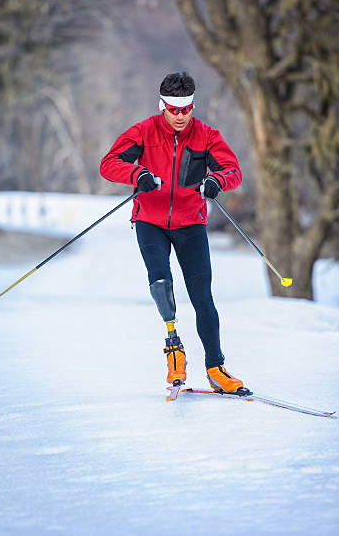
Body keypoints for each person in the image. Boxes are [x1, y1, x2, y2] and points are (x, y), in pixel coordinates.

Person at [100, 72, 247, 394]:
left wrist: (216, 182)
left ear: (192, 106)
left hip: (190, 223)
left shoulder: (207, 135)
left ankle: (216, 368)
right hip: (150, 221)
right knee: (161, 283)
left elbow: (232, 171)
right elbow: (108, 164)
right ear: (163, 105)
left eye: (186, 110)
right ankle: (174, 353)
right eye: (174, 110)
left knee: (202, 298)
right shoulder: (143, 132)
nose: (180, 117)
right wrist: (137, 173)